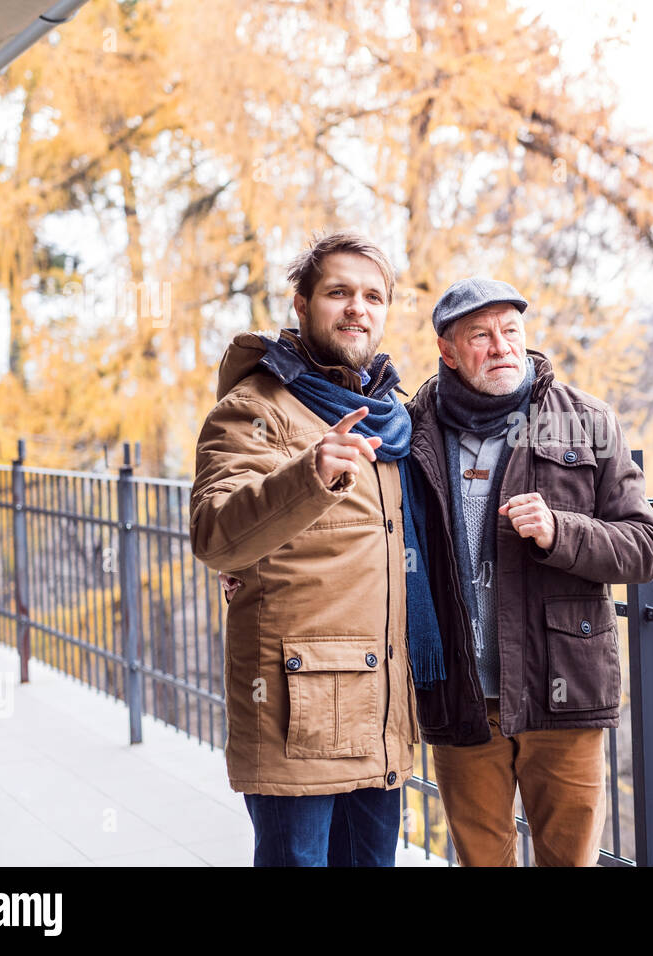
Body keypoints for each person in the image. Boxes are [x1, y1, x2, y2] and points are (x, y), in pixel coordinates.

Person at [189, 231, 442, 866]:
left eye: (373, 296)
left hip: (379, 705)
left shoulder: (390, 415)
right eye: (338, 292)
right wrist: (307, 475)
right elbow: (217, 534)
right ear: (301, 306)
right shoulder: (254, 409)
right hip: (296, 710)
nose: (358, 307)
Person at [405, 276, 653, 866]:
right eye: (480, 335)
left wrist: (560, 532)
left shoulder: (588, 421)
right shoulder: (411, 428)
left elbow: (647, 546)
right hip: (461, 697)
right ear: (447, 350)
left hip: (563, 691)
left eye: (511, 331)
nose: (500, 347)